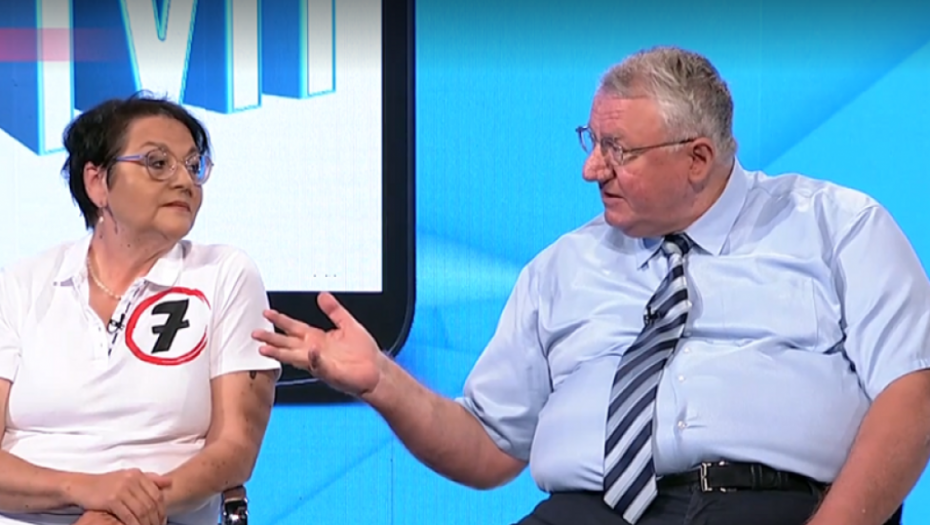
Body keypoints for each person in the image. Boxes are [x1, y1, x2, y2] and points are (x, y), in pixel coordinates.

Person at [253, 46, 930, 525]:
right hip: (589, 512)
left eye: (618, 150)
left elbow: (912, 390)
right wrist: (381, 381)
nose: (591, 168)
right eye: (592, 140)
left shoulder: (836, 226)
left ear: (697, 158)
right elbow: (488, 448)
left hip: (770, 505)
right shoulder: (561, 268)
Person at [0, 93, 281, 525]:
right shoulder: (20, 285)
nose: (185, 181)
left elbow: (234, 450)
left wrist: (122, 515)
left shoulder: (224, 274)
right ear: (97, 182)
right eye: (158, 163)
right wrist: (84, 489)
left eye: (193, 165)